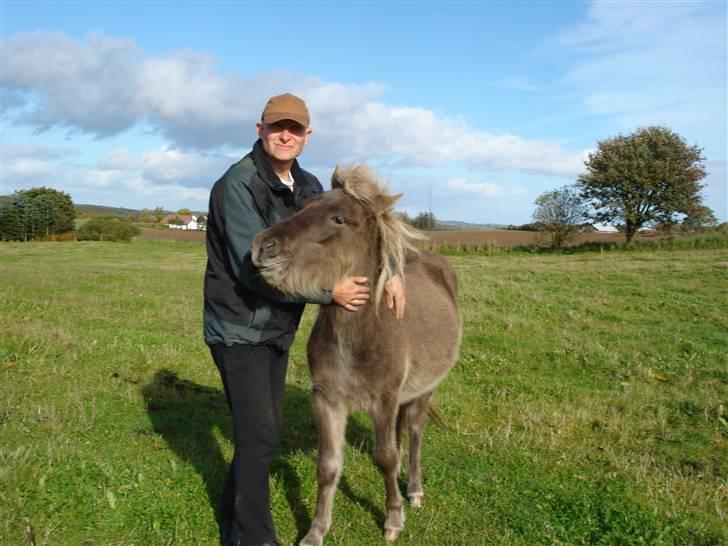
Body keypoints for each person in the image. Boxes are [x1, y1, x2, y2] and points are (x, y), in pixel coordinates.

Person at [203, 93, 405, 546]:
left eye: (295, 129)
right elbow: (249, 268)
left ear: (307, 136)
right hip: (239, 326)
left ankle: (229, 512)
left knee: (260, 430)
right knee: (260, 436)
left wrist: (392, 272)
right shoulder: (237, 184)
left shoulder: (308, 185)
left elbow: (361, 231)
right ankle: (253, 539)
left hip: (275, 327)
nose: (285, 135)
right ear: (260, 130)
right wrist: (327, 293)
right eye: (277, 127)